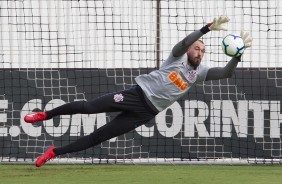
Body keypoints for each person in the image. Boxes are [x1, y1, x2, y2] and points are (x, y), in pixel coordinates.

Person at [24, 16, 252, 167]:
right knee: (89, 107)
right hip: (136, 95)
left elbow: (225, 73)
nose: (200, 52)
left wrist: (237, 55)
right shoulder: (176, 57)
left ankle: (54, 152)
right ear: (190, 50)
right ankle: (44, 115)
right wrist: (205, 29)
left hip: (145, 113)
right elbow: (184, 42)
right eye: (197, 48)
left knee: (98, 137)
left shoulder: (199, 73)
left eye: (203, 50)